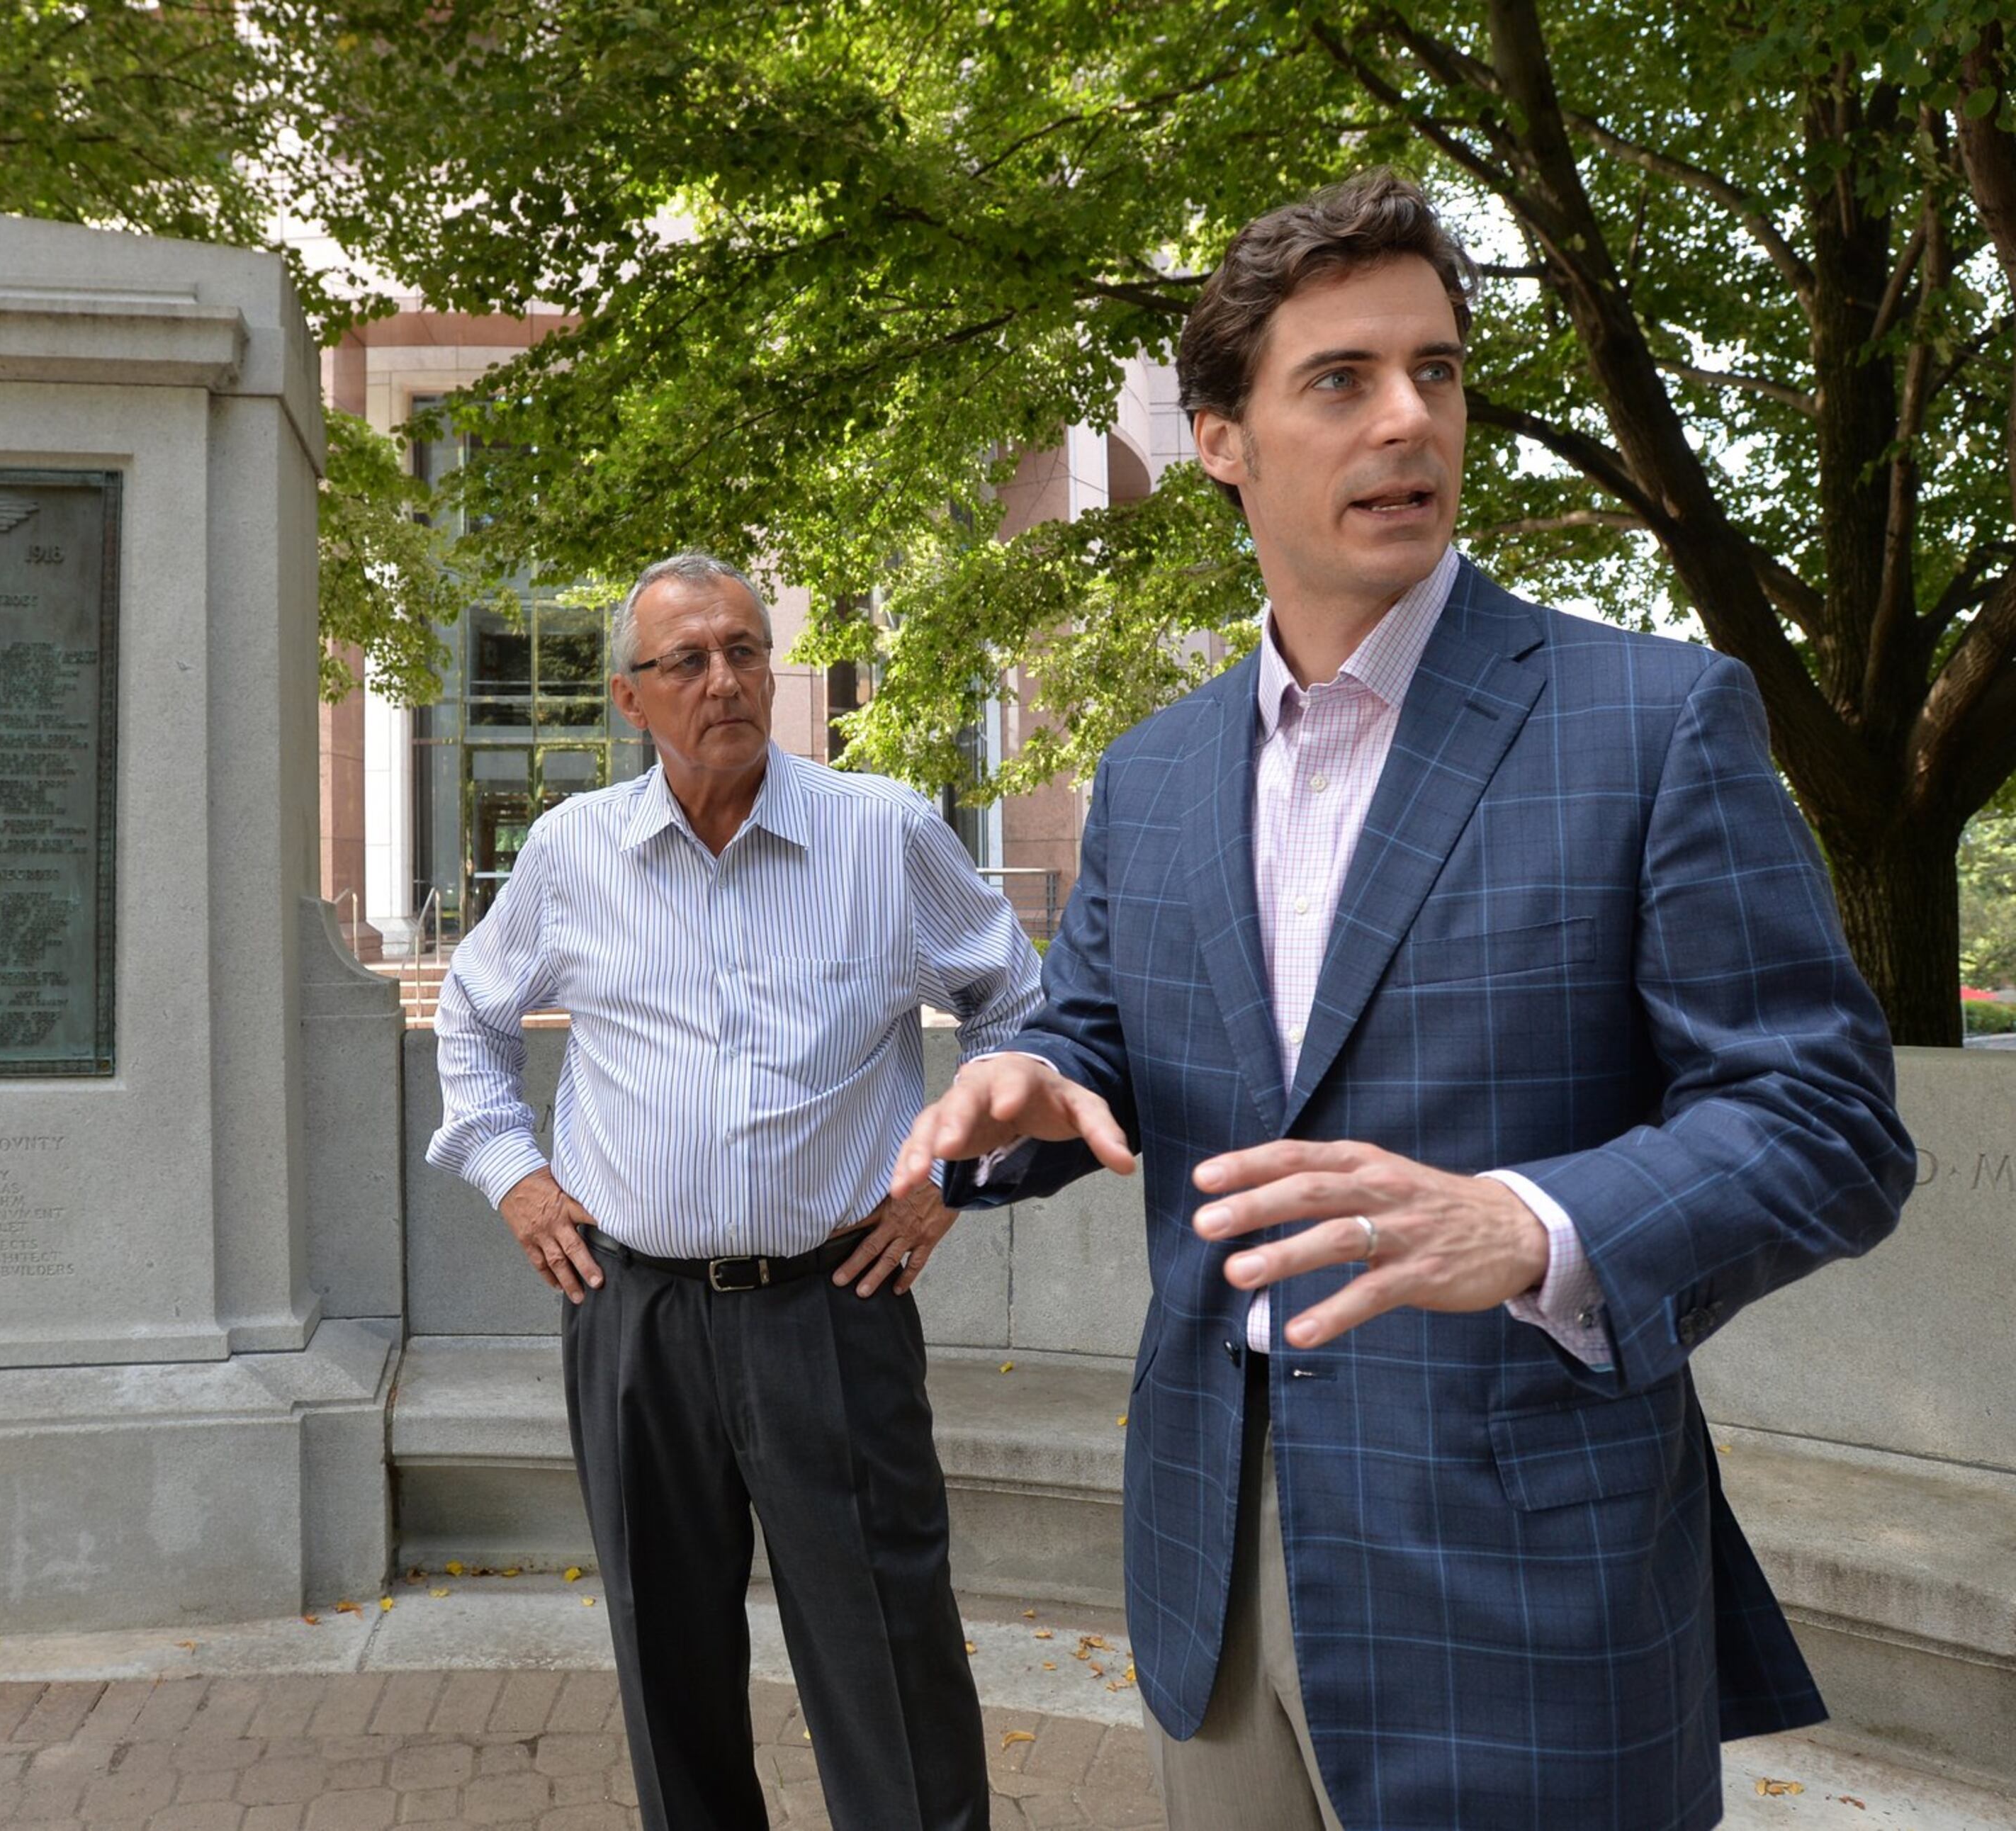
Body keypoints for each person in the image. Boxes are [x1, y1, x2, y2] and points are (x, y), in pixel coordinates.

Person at [892, 170, 1915, 1831]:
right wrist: (1022, 1077)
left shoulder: (1652, 722)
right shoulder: (1152, 774)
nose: (1408, 420)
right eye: (1341, 379)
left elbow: (1827, 1121)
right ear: (1220, 436)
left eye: (1434, 371)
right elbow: (1100, 1026)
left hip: (1524, 1577)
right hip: (1211, 1559)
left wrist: (1532, 1222)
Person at [429, 551, 1041, 1831]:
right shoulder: (571, 853)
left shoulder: (884, 833)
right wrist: (516, 1178)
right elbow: (473, 1018)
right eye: (688, 661)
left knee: (891, 1661)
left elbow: (1018, 1014)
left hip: (833, 1309)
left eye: (747, 652)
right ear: (629, 698)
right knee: (671, 1673)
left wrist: (949, 1178)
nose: (725, 681)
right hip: (632, 1314)